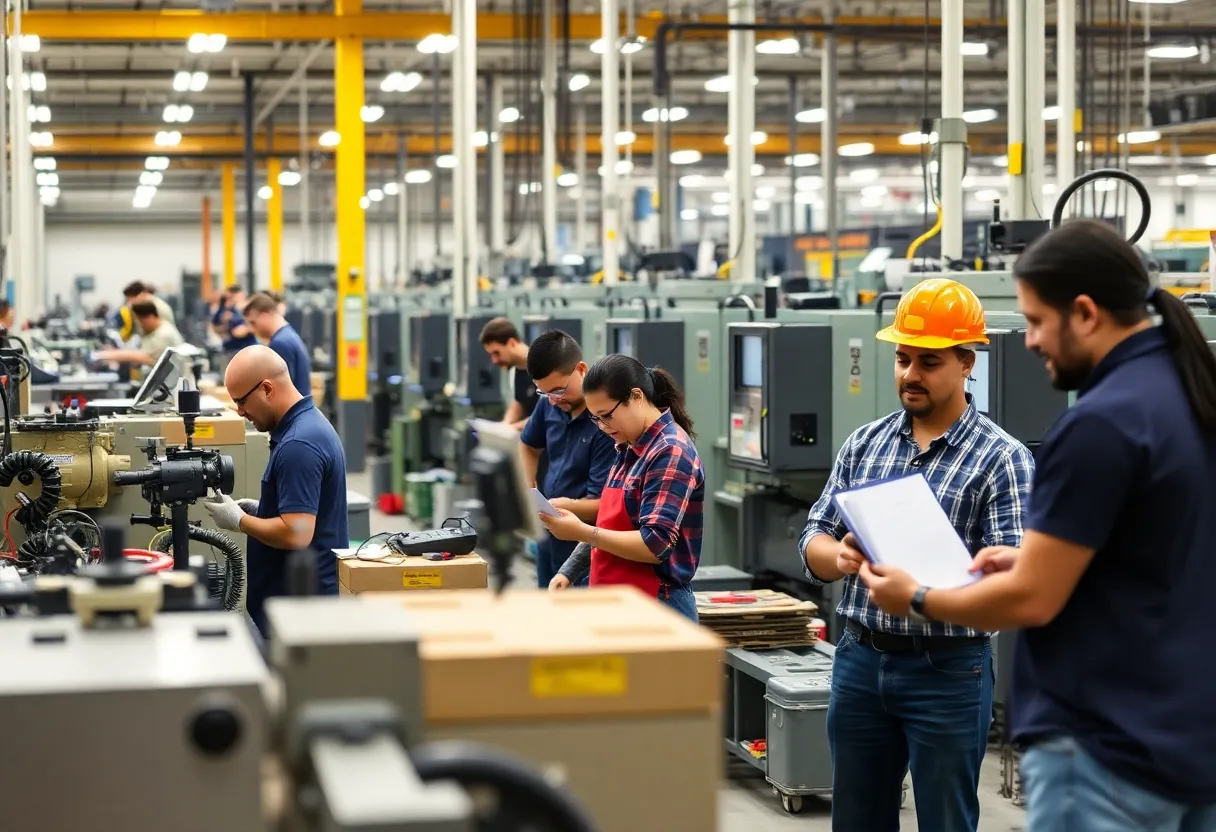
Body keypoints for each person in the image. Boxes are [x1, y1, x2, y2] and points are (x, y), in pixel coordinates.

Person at [860, 221, 1216, 832]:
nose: (1026, 342)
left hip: (1106, 745)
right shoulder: (1190, 395)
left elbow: (1031, 601)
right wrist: (1030, 560)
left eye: (1033, 321)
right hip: (1188, 732)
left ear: (1082, 313)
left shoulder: (1101, 424)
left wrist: (914, 596)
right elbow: (1156, 559)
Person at [799, 277, 1036, 832]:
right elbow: (812, 540)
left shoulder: (1002, 460)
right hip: (859, 659)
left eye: (928, 362)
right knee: (855, 818)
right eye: (903, 359)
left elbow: (1014, 587)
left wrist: (923, 598)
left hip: (948, 671)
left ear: (967, 362)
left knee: (946, 820)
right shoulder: (866, 443)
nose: (910, 374)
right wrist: (840, 556)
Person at [541, 355, 704, 622]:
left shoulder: (670, 451)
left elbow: (655, 545)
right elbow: (610, 526)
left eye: (607, 416)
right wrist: (569, 571)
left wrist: (580, 530)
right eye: (596, 419)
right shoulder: (628, 447)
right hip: (620, 600)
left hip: (658, 607)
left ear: (636, 397)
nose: (604, 427)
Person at [203, 345, 348, 636]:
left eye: (242, 401)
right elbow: (307, 514)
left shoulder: (299, 445)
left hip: (302, 615)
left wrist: (239, 521)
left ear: (267, 389)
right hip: (294, 607)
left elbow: (297, 532)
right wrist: (265, 510)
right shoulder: (306, 425)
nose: (241, 412)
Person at [519, 330, 616, 589]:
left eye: (559, 389)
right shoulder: (549, 404)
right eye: (544, 392)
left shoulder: (606, 425)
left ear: (581, 369)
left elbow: (604, 505)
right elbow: (528, 445)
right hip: (548, 535)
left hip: (584, 545)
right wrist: (530, 490)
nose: (554, 398)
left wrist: (560, 506)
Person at [243, 291, 311, 396]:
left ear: (264, 316)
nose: (251, 329)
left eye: (253, 322)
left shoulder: (280, 344)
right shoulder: (288, 336)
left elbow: (279, 393)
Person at [480, 316, 539, 430]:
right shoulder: (514, 371)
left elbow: (545, 417)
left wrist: (511, 428)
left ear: (512, 343)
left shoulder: (544, 368)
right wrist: (505, 423)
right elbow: (520, 402)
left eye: (497, 353)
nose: (494, 361)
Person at [93, 300, 184, 365]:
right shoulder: (155, 332)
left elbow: (148, 358)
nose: (140, 326)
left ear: (149, 316)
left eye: (140, 321)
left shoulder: (164, 333)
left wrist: (106, 355)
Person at [212, 285, 257, 354]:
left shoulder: (250, 309)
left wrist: (246, 329)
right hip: (232, 347)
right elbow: (216, 326)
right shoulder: (227, 310)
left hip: (248, 346)